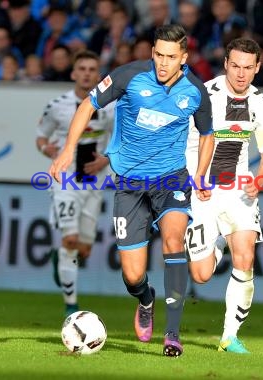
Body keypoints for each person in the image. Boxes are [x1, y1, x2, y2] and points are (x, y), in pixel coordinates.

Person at [49, 24, 215, 357]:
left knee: (173, 240)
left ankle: (172, 334)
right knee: (132, 275)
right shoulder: (129, 76)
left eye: (170, 57)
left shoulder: (195, 91)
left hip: (171, 179)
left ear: (183, 58)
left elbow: (208, 133)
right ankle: (146, 299)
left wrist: (199, 174)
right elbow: (87, 105)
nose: (162, 63)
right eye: (157, 54)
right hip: (129, 184)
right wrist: (68, 149)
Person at [185, 37, 263, 354]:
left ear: (257, 68)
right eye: (235, 66)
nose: (240, 74)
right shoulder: (203, 96)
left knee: (246, 256)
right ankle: (219, 241)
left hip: (238, 187)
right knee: (201, 274)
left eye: (247, 68)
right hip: (202, 189)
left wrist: (260, 179)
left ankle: (229, 337)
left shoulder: (261, 104)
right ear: (225, 64)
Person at [36, 50, 115, 317]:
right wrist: (49, 150)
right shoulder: (57, 105)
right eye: (81, 68)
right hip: (66, 179)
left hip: (93, 182)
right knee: (70, 239)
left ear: (98, 75)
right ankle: (71, 304)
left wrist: (105, 160)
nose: (86, 73)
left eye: (92, 69)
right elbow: (40, 137)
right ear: (73, 73)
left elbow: (120, 141)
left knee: (84, 249)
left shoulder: (110, 107)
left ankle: (60, 259)